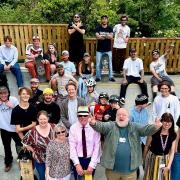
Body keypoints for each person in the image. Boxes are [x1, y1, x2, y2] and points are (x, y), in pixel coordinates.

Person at [89, 108, 162, 180]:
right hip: (112, 171)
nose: (121, 116)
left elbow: (146, 129)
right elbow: (101, 126)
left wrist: (156, 126)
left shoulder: (135, 127)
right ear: (116, 117)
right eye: (119, 115)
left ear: (128, 117)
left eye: (124, 115)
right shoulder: (111, 126)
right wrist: (94, 123)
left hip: (130, 173)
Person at [69, 106, 101, 180]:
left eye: (85, 115)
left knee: (89, 179)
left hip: (90, 159)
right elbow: (72, 147)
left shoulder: (94, 127)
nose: (82, 117)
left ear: (89, 115)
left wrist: (92, 165)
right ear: (77, 116)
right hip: (78, 159)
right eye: (80, 115)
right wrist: (77, 164)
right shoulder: (73, 128)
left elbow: (97, 147)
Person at [22, 110, 55, 180]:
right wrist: (33, 150)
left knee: (52, 177)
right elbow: (24, 143)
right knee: (42, 177)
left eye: (44, 119)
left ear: (48, 119)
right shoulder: (33, 131)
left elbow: (63, 136)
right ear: (37, 119)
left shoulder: (54, 127)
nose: (43, 121)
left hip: (53, 159)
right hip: (39, 159)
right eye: (41, 119)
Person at [143, 113, 177, 180]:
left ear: (172, 122)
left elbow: (172, 152)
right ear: (161, 121)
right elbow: (146, 146)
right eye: (165, 121)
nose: (167, 124)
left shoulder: (173, 134)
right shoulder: (153, 131)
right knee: (150, 177)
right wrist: (144, 160)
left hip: (165, 160)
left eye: (169, 121)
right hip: (152, 158)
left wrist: (169, 166)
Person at [0, 86, 22, 172]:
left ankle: (21, 160)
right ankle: (8, 162)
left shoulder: (13, 99)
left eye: (5, 93)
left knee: (20, 145)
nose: (3, 95)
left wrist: (13, 107)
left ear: (8, 93)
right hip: (4, 128)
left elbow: (20, 111)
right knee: (6, 147)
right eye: (1, 93)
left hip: (15, 128)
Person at [95, 15, 115, 82]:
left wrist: (103, 35)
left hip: (108, 49)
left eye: (105, 19)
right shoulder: (98, 28)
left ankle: (111, 76)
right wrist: (107, 35)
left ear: (107, 20)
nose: (104, 20)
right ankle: (98, 77)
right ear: (101, 20)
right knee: (98, 63)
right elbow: (97, 37)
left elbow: (111, 37)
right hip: (99, 50)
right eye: (103, 19)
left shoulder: (110, 28)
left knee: (110, 63)